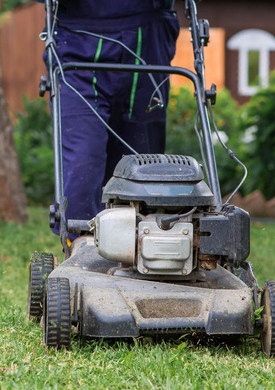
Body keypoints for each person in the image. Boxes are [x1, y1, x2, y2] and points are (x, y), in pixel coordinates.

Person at [42, 1, 180, 237]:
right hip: (80, 41)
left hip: (146, 38)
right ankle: (81, 253)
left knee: (143, 169)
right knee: (81, 164)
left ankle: (145, 250)